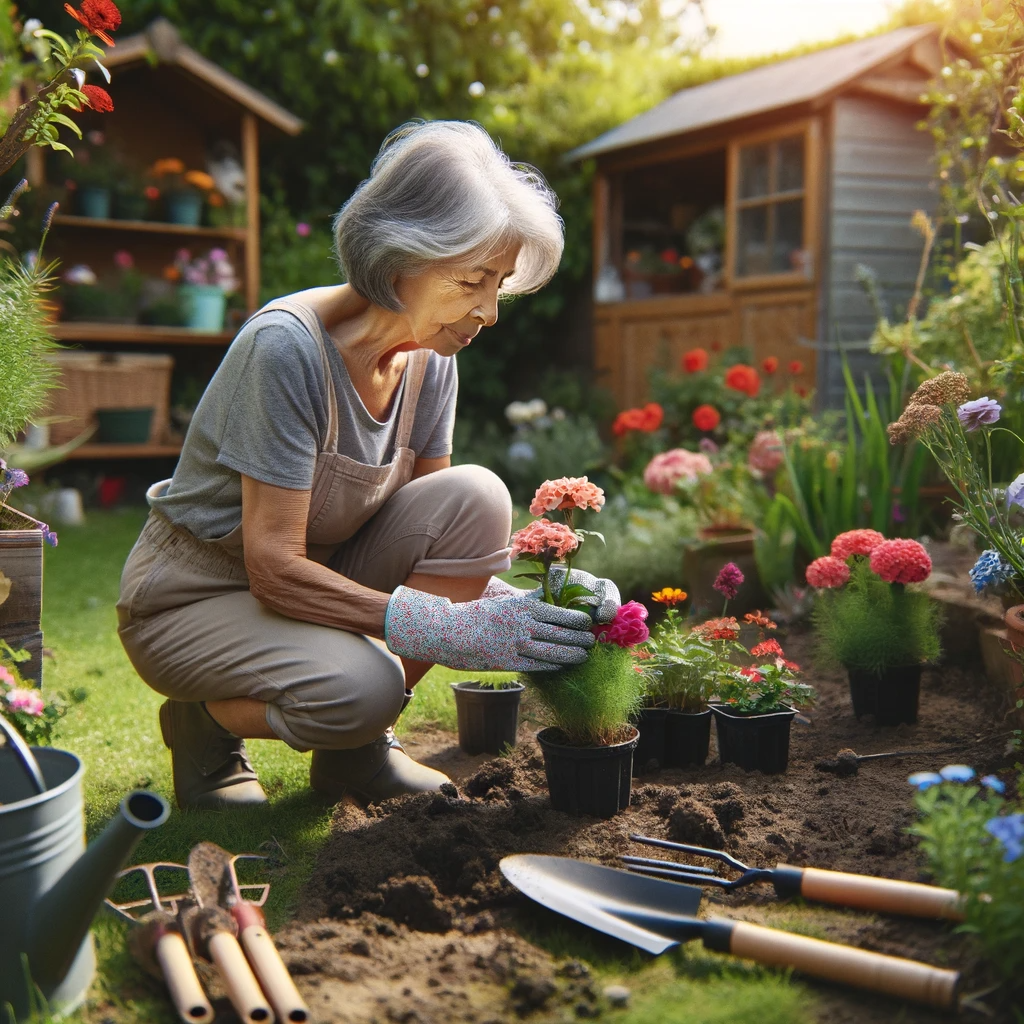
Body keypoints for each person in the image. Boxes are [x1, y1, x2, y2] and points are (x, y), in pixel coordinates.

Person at [116, 121, 620, 810]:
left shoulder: (431, 356)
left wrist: (539, 607)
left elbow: (443, 561)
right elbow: (273, 569)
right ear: (400, 256)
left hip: (314, 581)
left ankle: (354, 758)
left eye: (499, 284)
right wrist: (448, 628)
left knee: (475, 495)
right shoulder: (286, 350)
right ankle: (203, 725)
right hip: (193, 600)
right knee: (363, 689)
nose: (489, 311)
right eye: (472, 280)